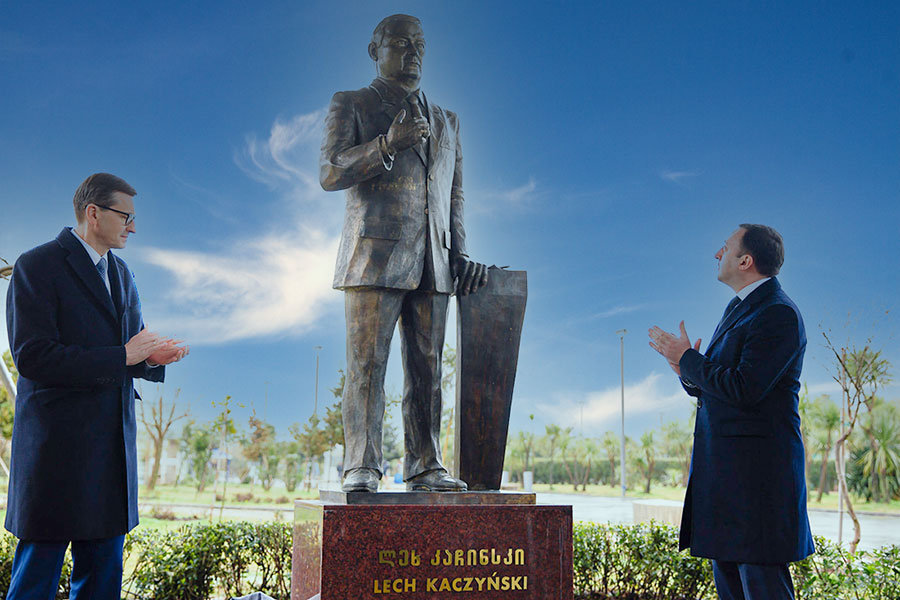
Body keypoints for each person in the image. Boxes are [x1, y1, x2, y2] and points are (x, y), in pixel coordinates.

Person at [320, 14, 488, 493]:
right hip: (373, 257)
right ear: (375, 51)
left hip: (434, 262)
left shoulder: (447, 120)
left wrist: (460, 253)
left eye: (419, 44)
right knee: (367, 368)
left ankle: (426, 465)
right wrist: (385, 144)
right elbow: (330, 172)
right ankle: (362, 465)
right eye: (400, 43)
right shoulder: (351, 104)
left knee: (428, 370)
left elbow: (454, 197)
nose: (412, 52)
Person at [5, 173, 189, 598]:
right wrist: (124, 355)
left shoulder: (122, 274)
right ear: (94, 213)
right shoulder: (37, 266)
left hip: (110, 458)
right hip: (55, 457)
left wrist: (150, 357)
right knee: (34, 584)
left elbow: (127, 350)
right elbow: (32, 357)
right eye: (126, 216)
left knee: (102, 586)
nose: (134, 227)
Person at [648, 224, 814, 600]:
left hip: (756, 487)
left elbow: (745, 388)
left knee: (762, 588)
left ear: (745, 260)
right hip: (727, 485)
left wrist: (688, 359)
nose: (716, 254)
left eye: (724, 247)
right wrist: (685, 370)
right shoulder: (740, 308)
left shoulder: (778, 313)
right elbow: (722, 384)